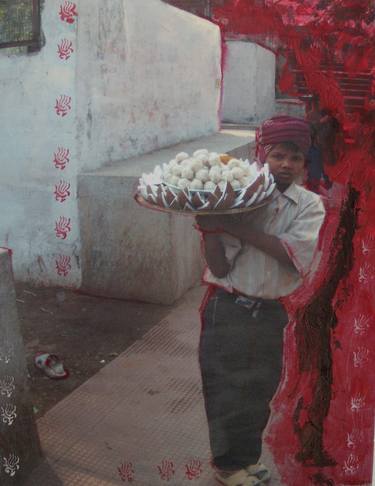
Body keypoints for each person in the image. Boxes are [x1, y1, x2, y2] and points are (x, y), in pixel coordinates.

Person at [195, 115, 326, 486]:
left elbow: (291, 255)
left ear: (305, 163)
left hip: (271, 312)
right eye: (278, 156)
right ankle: (226, 466)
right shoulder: (237, 197)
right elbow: (219, 268)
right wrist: (209, 229)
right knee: (225, 389)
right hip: (228, 306)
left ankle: (245, 459)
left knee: (259, 389)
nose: (286, 164)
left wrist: (232, 226)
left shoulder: (309, 206)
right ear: (263, 157)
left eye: (295, 158)